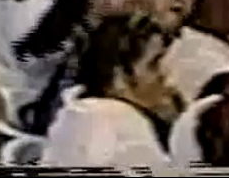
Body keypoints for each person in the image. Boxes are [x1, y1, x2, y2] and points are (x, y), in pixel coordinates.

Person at [39, 16, 177, 170]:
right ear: (119, 76)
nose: (166, 77)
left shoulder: (74, 111)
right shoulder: (126, 124)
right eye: (154, 64)